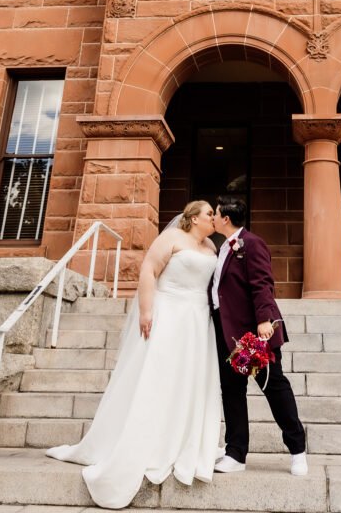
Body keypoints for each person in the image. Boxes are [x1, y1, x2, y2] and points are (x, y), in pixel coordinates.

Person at [46, 200, 221, 509]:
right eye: (209, 214)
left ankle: (183, 439)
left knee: (189, 381)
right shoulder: (172, 238)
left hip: (197, 320)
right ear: (193, 218)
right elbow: (149, 270)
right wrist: (146, 311)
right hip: (169, 314)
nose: (214, 218)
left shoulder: (211, 246)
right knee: (158, 377)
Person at [210, 196, 308, 476]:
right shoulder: (222, 248)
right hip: (226, 331)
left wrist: (265, 319)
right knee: (232, 391)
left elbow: (262, 283)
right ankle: (235, 454)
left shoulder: (252, 244)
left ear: (226, 218)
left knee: (273, 387)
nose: (213, 218)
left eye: (215, 214)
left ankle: (297, 450)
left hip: (252, 333)